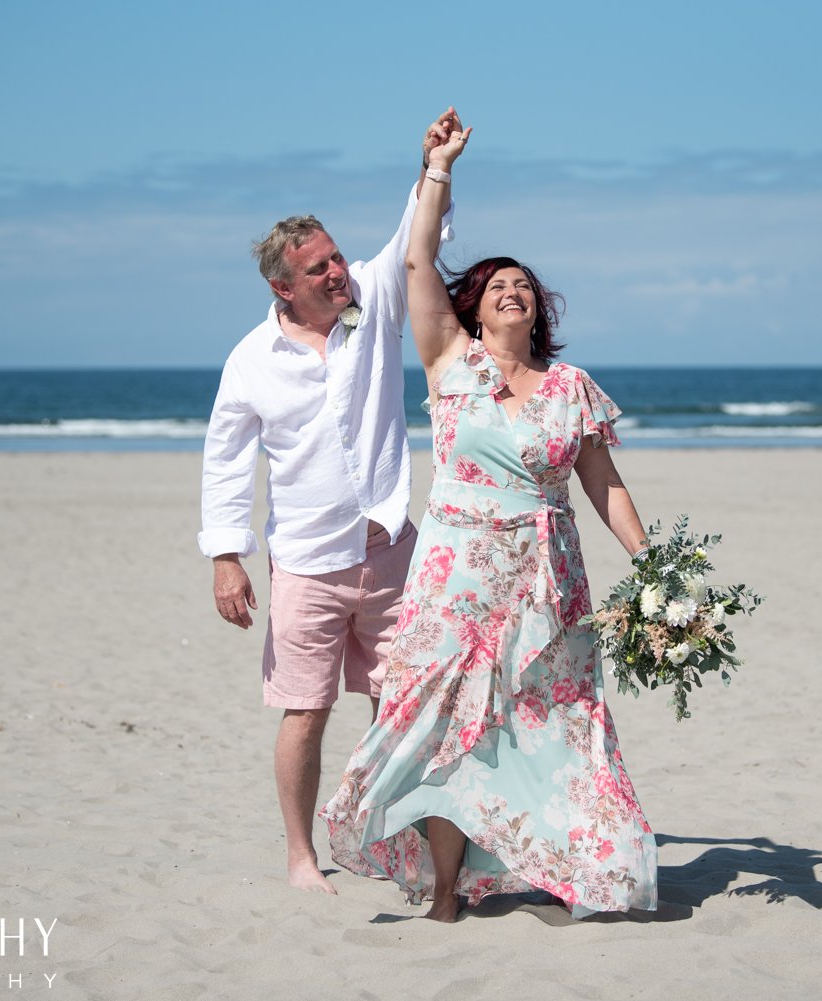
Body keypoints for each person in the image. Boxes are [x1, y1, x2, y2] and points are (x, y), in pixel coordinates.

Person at [320, 123, 659, 920]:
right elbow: (414, 259)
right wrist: (436, 169)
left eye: (525, 286)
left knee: (559, 725)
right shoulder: (449, 359)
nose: (513, 291)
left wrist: (653, 566)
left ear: (539, 307)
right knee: (447, 725)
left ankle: (567, 867)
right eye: (498, 284)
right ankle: (445, 890)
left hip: (548, 583)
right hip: (459, 578)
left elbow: (605, 485)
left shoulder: (571, 385)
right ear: (474, 304)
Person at [199, 109, 461, 894]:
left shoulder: (373, 301)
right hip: (307, 563)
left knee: (400, 703)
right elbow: (224, 458)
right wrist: (225, 556)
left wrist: (434, 165)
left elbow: (416, 233)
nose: (336, 273)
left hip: (388, 546)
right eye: (317, 269)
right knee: (304, 713)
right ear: (283, 285)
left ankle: (398, 842)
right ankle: (301, 855)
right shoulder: (250, 359)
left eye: (337, 257)